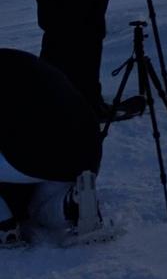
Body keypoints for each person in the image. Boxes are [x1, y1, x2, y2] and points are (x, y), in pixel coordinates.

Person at [0, 47, 107, 244]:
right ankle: (70, 204)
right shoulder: (16, 61)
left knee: (26, 197)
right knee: (36, 209)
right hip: (87, 153)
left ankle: (4, 226)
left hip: (37, 155)